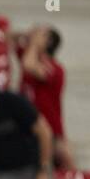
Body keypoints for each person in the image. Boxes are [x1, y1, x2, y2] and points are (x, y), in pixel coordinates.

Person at [19, 25, 72, 169]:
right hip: (27, 127)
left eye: (40, 34)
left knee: (61, 168)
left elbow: (28, 65)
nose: (34, 34)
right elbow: (8, 38)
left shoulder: (54, 68)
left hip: (50, 131)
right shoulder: (29, 54)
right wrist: (26, 34)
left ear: (48, 42)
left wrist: (34, 44)